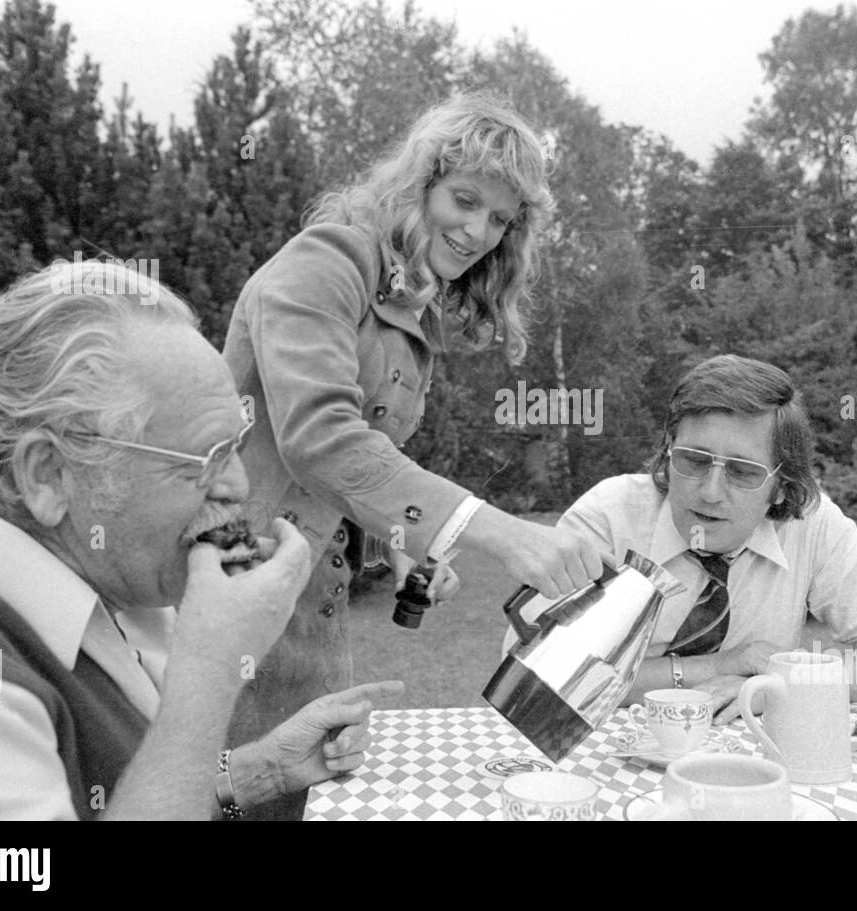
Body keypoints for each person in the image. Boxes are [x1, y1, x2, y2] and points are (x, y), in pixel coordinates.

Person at [0, 261, 403, 820]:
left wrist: (262, 770)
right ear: (48, 474)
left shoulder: (108, 583)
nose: (238, 485)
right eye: (207, 458)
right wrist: (210, 672)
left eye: (236, 447)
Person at [222, 93, 603, 807]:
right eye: (465, 199)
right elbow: (320, 438)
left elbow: (358, 465)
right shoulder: (326, 261)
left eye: (500, 218)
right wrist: (499, 532)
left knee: (302, 802)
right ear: (417, 183)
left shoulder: (410, 309)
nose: (478, 231)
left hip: (313, 617)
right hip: (229, 605)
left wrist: (399, 543)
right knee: (220, 794)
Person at [507, 354, 857, 722]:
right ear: (667, 451)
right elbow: (531, 678)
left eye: (743, 472)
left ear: (781, 485)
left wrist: (780, 685)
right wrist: (717, 667)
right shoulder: (609, 518)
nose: (711, 492)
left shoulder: (814, 525)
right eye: (694, 461)